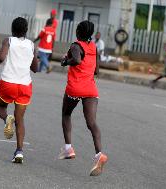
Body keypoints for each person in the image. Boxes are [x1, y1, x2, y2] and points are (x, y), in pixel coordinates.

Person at [59, 21, 108, 176]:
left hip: (75, 86)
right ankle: (99, 155)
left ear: (78, 31)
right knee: (92, 123)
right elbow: (97, 71)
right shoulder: (94, 47)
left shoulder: (75, 45)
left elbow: (77, 60)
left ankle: (68, 149)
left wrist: (65, 61)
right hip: (90, 88)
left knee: (66, 114)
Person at [0, 17, 38, 164]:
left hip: (8, 82)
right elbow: (36, 68)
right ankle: (19, 151)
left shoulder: (8, 41)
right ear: (26, 31)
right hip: (25, 85)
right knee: (20, 120)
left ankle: (7, 118)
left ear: (12, 30)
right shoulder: (32, 45)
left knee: (0, 106)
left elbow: (1, 56)